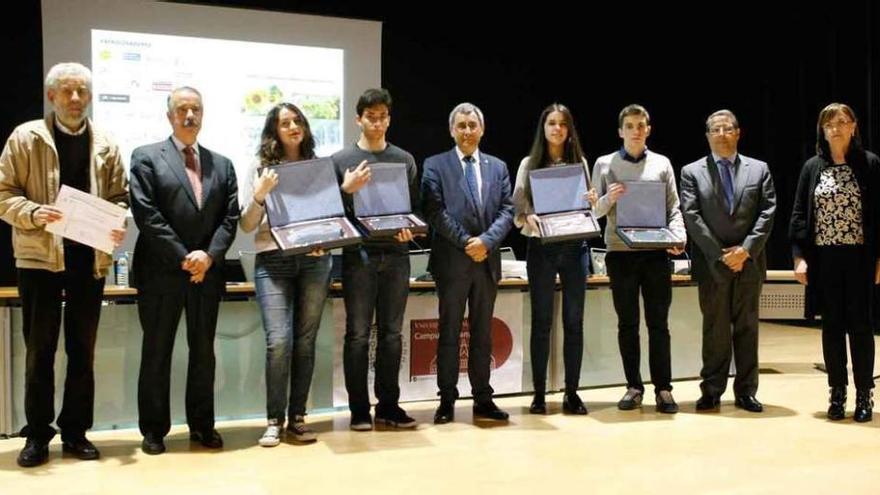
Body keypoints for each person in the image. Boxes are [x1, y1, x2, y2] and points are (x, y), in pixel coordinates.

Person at [0, 62, 127, 467]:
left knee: (82, 351)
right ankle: (37, 435)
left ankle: (75, 432)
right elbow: (3, 194)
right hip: (40, 259)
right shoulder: (26, 137)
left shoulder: (105, 141)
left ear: (90, 97)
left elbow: (121, 196)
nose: (75, 99)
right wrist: (34, 213)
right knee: (40, 351)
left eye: (82, 92)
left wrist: (119, 221)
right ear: (51, 96)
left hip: (88, 260)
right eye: (67, 92)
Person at [130, 86, 239, 454]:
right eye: (182, 110)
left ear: (203, 114)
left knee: (203, 353)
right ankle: (154, 431)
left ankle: (202, 427)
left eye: (196, 109)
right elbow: (147, 215)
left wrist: (207, 257)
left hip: (206, 274)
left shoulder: (222, 164)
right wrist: (184, 256)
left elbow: (230, 218)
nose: (189, 115)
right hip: (161, 272)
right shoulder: (146, 157)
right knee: (157, 352)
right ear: (170, 116)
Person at [240, 102, 332, 446]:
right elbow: (247, 224)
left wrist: (326, 240)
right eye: (284, 123)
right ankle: (273, 420)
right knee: (278, 341)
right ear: (273, 131)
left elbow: (328, 217)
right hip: (273, 261)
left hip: (313, 260)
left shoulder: (317, 166)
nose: (293, 126)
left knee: (305, 342)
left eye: (297, 121)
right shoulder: (259, 167)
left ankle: (298, 418)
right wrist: (260, 195)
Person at [332, 88, 419, 431]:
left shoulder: (404, 159)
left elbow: (412, 208)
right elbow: (329, 213)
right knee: (357, 335)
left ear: (389, 120)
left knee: (392, 334)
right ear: (358, 119)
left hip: (396, 254)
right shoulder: (340, 161)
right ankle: (358, 409)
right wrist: (344, 189)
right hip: (360, 256)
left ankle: (388, 405)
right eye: (371, 116)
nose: (377, 122)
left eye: (383, 116)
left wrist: (409, 229)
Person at [421, 102, 514, 424]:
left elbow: (508, 211)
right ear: (451, 130)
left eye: (472, 125)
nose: (467, 131)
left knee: (483, 334)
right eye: (461, 126)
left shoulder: (498, 167)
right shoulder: (435, 165)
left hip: (486, 262)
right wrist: (466, 242)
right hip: (452, 262)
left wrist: (486, 242)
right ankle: (446, 400)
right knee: (448, 332)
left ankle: (483, 398)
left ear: (482, 129)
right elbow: (434, 211)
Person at [591, 104, 686, 414]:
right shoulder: (604, 164)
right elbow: (593, 212)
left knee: (659, 324)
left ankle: (664, 389)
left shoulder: (662, 163)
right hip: (620, 253)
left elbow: (674, 208)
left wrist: (677, 237)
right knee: (627, 324)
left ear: (649, 129)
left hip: (656, 254)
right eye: (629, 126)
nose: (635, 130)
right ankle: (633, 386)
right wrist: (610, 198)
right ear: (621, 131)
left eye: (640, 125)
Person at [680, 110, 776, 413]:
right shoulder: (691, 172)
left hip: (749, 262)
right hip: (713, 265)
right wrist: (720, 255)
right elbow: (692, 215)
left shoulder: (759, 170)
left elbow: (767, 212)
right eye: (715, 129)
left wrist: (745, 250)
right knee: (715, 329)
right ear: (707, 136)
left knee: (747, 328)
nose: (721, 133)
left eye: (727, 128)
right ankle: (711, 390)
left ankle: (746, 391)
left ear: (738, 133)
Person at [789, 102, 880, 422]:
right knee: (831, 327)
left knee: (861, 326)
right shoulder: (812, 167)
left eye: (842, 122)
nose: (836, 128)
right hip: (824, 259)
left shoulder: (869, 164)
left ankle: (865, 394)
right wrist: (800, 257)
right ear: (822, 130)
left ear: (854, 126)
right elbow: (800, 215)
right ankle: (837, 392)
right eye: (829, 124)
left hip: (859, 257)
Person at [511, 103, 591, 415]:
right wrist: (527, 219)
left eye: (562, 124)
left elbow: (588, 212)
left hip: (574, 248)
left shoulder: (579, 163)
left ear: (569, 130)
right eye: (551, 123)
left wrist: (592, 203)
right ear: (543, 129)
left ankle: (572, 392)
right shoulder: (528, 164)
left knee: (574, 322)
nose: (557, 128)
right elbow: (518, 209)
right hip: (541, 248)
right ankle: (540, 394)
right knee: (542, 322)